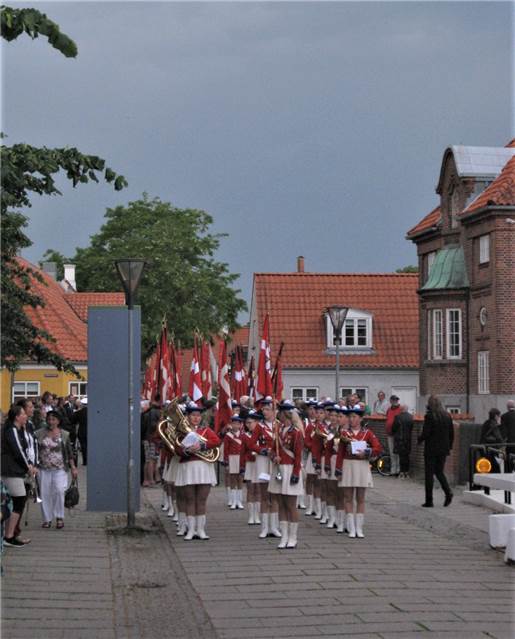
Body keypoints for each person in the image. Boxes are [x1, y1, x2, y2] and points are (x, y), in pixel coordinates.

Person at [174, 402, 221, 541]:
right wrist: (187, 450)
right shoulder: (182, 432)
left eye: (198, 415)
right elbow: (176, 449)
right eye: (193, 415)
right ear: (187, 417)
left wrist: (202, 445)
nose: (196, 418)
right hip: (188, 467)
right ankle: (190, 530)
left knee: (201, 500)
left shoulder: (205, 430)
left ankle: (200, 530)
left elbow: (217, 441)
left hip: (204, 467)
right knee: (190, 499)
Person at [336, 405, 381, 538]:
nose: (351, 419)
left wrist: (367, 452)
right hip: (348, 465)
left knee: (360, 498)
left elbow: (378, 448)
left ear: (360, 419)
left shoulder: (368, 433)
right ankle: (351, 527)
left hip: (362, 465)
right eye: (350, 417)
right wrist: (338, 470)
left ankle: (359, 527)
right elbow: (340, 453)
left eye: (354, 417)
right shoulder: (344, 433)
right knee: (348, 497)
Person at [267, 400, 304, 549]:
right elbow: (271, 449)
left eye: (280, 412)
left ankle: (293, 537)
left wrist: (296, 473)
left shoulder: (296, 432)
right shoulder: (277, 430)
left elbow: (299, 455)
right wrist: (273, 456)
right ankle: (284, 536)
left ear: (285, 414)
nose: (278, 415)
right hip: (279, 469)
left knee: (291, 505)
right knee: (281, 504)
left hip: (290, 469)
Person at [1, 405, 37, 546]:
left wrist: (30, 464)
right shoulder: (12, 430)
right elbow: (18, 450)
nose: (26, 416)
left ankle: (9, 534)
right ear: (17, 417)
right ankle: (9, 536)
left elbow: (26, 449)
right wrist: (28, 466)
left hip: (14, 470)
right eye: (23, 413)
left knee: (14, 502)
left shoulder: (18, 430)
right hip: (11, 470)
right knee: (19, 500)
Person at [35, 410, 78, 528]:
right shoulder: (39, 433)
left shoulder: (64, 434)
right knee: (45, 494)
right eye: (48, 419)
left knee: (59, 491)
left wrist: (73, 467)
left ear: (58, 421)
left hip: (60, 468)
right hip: (43, 468)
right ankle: (47, 519)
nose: (50, 421)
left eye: (53, 419)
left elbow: (69, 453)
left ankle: (59, 517)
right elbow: (33, 450)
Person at [418, 395, 454, 508]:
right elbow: (451, 434)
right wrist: (449, 447)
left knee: (429, 474)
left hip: (431, 449)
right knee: (439, 472)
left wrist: (420, 439)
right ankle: (448, 492)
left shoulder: (429, 416)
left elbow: (426, 433)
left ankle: (429, 500)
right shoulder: (447, 416)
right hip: (443, 449)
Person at [223, 415, 244, 510]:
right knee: (233, 479)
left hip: (241, 459)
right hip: (231, 458)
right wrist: (226, 462)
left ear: (240, 425)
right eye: (234, 423)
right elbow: (226, 450)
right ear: (231, 424)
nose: (235, 425)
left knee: (240, 479)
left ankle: (239, 501)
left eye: (237, 424)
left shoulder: (243, 435)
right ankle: (233, 500)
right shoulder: (228, 436)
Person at [392, 405, 414, 478]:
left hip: (400, 439)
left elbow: (394, 428)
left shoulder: (397, 417)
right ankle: (407, 472)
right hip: (408, 439)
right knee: (407, 456)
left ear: (401, 409)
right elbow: (411, 428)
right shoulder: (411, 417)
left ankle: (401, 472)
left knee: (401, 456)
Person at [480, 408, 505, 473]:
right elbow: (498, 437)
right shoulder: (494, 424)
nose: (499, 418)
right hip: (492, 449)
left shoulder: (486, 423)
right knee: (495, 468)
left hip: (484, 448)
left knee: (486, 468)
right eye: (499, 416)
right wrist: (503, 444)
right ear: (496, 416)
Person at [385, 395, 402, 476]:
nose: (394, 401)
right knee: (391, 452)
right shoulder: (388, 409)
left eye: (396, 400)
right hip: (389, 433)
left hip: (397, 434)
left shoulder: (400, 409)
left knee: (397, 452)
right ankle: (393, 469)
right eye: (393, 400)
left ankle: (398, 469)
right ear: (391, 401)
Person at [70, 397, 88, 466]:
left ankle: (85, 461)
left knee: (83, 446)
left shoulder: (79, 412)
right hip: (90, 431)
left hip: (82, 431)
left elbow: (73, 421)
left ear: (82, 404)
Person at [501, 400, 515, 472]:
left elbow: (503, 432)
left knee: (509, 461)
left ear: (507, 407)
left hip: (509, 444)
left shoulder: (504, 416)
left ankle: (508, 473)